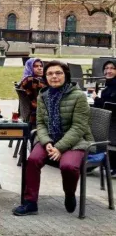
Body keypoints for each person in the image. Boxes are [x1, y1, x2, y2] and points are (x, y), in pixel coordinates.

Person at [13, 61, 93, 216]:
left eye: (58, 73)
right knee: (33, 160)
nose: (54, 76)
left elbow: (79, 127)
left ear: (66, 75)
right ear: (45, 77)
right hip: (49, 139)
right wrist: (47, 142)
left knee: (68, 166)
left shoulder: (79, 96)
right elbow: (40, 123)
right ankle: (30, 202)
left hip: (75, 141)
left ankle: (69, 193)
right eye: (49, 74)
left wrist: (60, 147)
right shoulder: (43, 95)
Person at [18, 58, 47, 125]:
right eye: (36, 66)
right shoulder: (30, 80)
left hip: (33, 112)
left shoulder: (27, 79)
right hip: (38, 113)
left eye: (41, 66)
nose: (39, 68)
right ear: (29, 67)